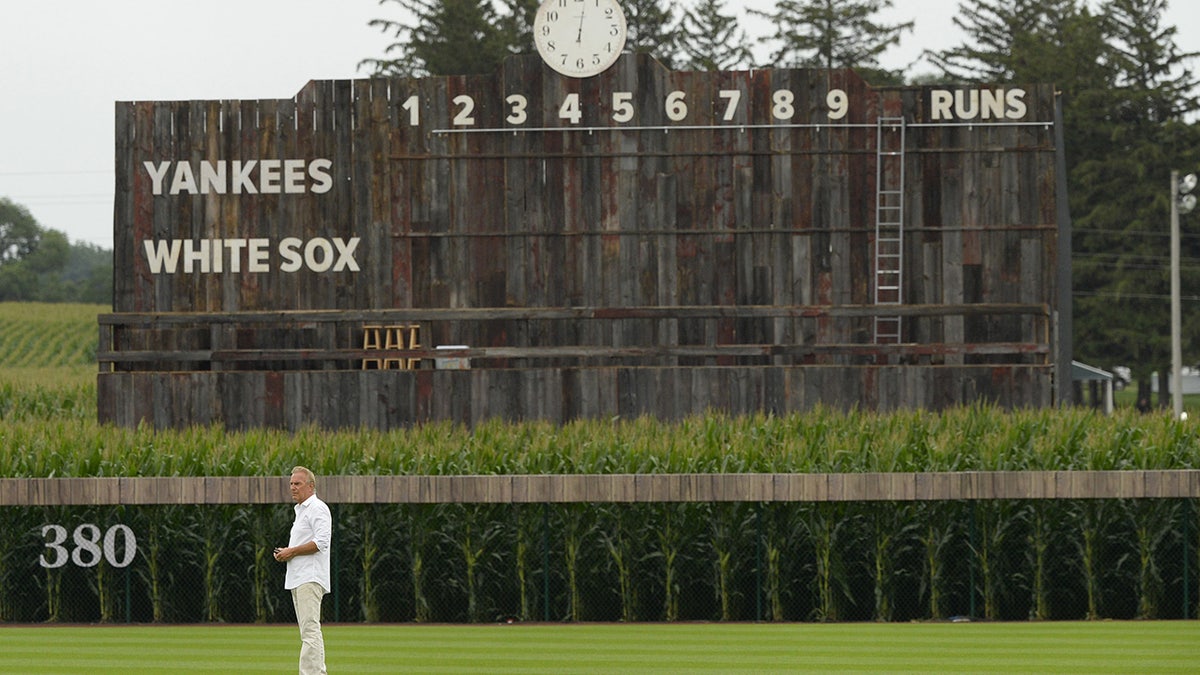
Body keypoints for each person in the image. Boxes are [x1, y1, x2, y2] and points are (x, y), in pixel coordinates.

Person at [274, 466, 332, 675]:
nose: (293, 487)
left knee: (310, 631)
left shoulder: (317, 507)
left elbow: (321, 542)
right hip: (299, 578)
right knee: (307, 632)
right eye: (291, 484)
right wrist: (287, 553)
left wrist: (291, 551)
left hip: (310, 577)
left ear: (311, 486)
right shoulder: (301, 511)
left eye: (297, 483)